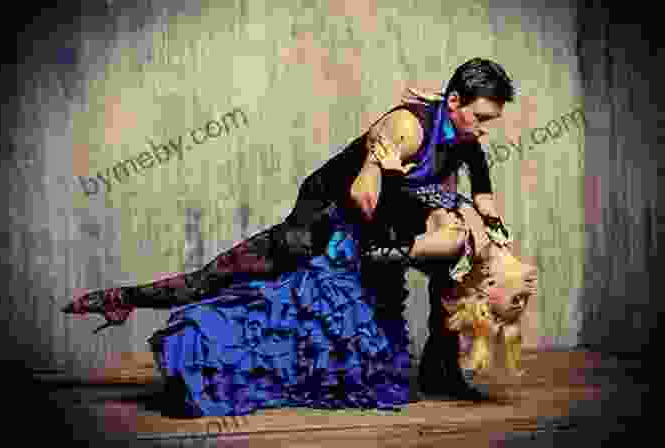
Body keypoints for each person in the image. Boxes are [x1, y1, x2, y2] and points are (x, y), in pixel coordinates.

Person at [62, 58, 536, 416]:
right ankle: (123, 297)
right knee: (218, 279)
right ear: (454, 103)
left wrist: (486, 232)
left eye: (490, 121)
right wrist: (418, 189)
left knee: (447, 267)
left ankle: (442, 370)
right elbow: (362, 200)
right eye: (481, 118)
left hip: (374, 235)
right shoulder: (404, 128)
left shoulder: (466, 139)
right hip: (322, 221)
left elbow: (485, 201)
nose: (485, 130)